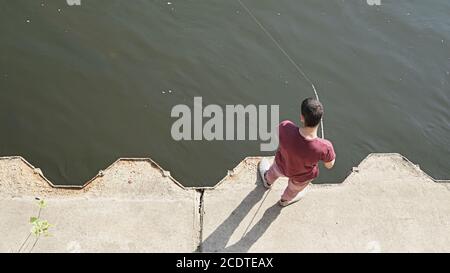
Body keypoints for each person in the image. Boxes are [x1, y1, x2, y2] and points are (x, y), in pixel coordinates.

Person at [259, 98, 336, 207]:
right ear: (320, 119)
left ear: (302, 117)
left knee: (273, 172)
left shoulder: (285, 127)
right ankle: (285, 200)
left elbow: (276, 135)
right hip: (302, 177)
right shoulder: (325, 147)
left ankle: (267, 181)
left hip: (281, 164)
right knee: (293, 190)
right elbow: (329, 165)